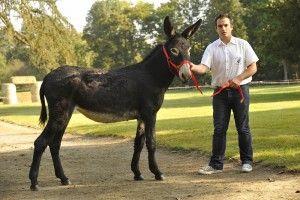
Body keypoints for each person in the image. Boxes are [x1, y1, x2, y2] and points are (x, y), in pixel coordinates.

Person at [190, 13, 259, 174]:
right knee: (219, 129)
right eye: (220, 26)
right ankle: (216, 165)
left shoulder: (243, 44)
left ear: (231, 27)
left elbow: (253, 67)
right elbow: (203, 68)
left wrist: (239, 78)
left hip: (240, 90)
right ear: (216, 28)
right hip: (220, 93)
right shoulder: (211, 47)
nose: (223, 28)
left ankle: (247, 162)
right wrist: (192, 66)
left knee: (242, 128)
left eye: (226, 25)